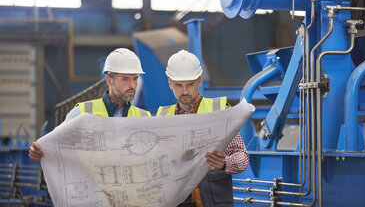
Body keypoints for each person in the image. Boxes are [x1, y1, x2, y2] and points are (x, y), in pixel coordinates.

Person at [157, 50, 249, 207]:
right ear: (170, 83)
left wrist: (226, 162)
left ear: (199, 81)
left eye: (190, 84)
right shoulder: (162, 116)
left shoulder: (220, 110)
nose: (185, 91)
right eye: (179, 85)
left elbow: (243, 158)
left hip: (211, 201)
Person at [29, 48, 150, 161]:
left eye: (135, 79)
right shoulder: (82, 112)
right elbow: (54, 142)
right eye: (125, 79)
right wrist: (38, 150)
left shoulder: (144, 118)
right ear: (109, 80)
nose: (132, 85)